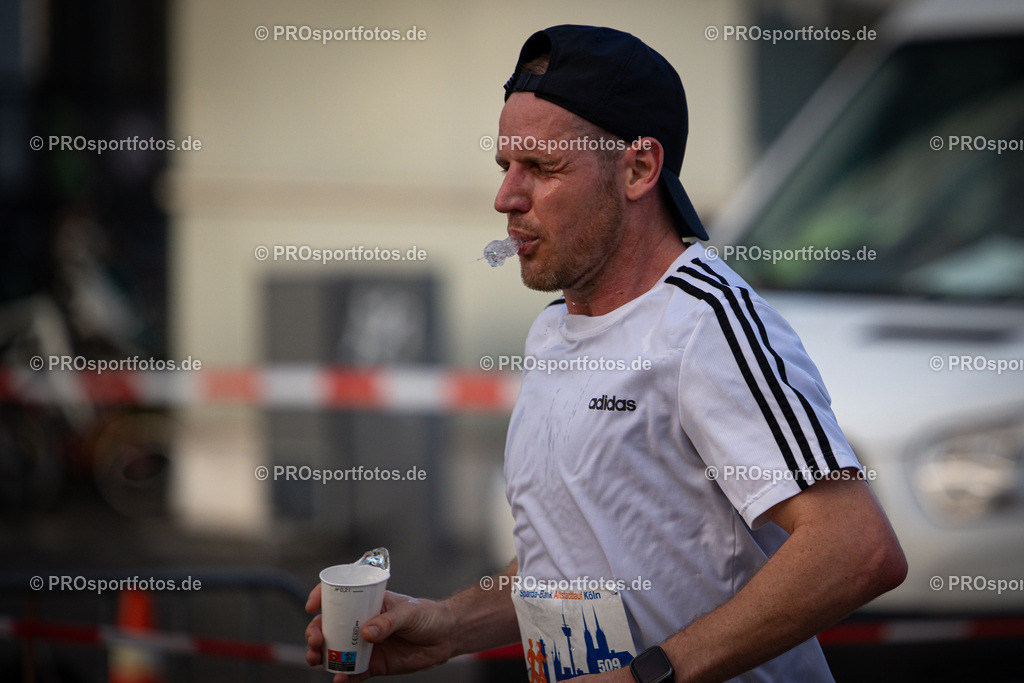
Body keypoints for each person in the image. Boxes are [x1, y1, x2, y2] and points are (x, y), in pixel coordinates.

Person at [304, 25, 907, 683]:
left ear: (638, 168)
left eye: (541, 167)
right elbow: (568, 563)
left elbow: (856, 546)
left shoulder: (704, 321)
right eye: (505, 166)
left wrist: (649, 675)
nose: (506, 197)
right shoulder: (555, 326)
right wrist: (445, 625)